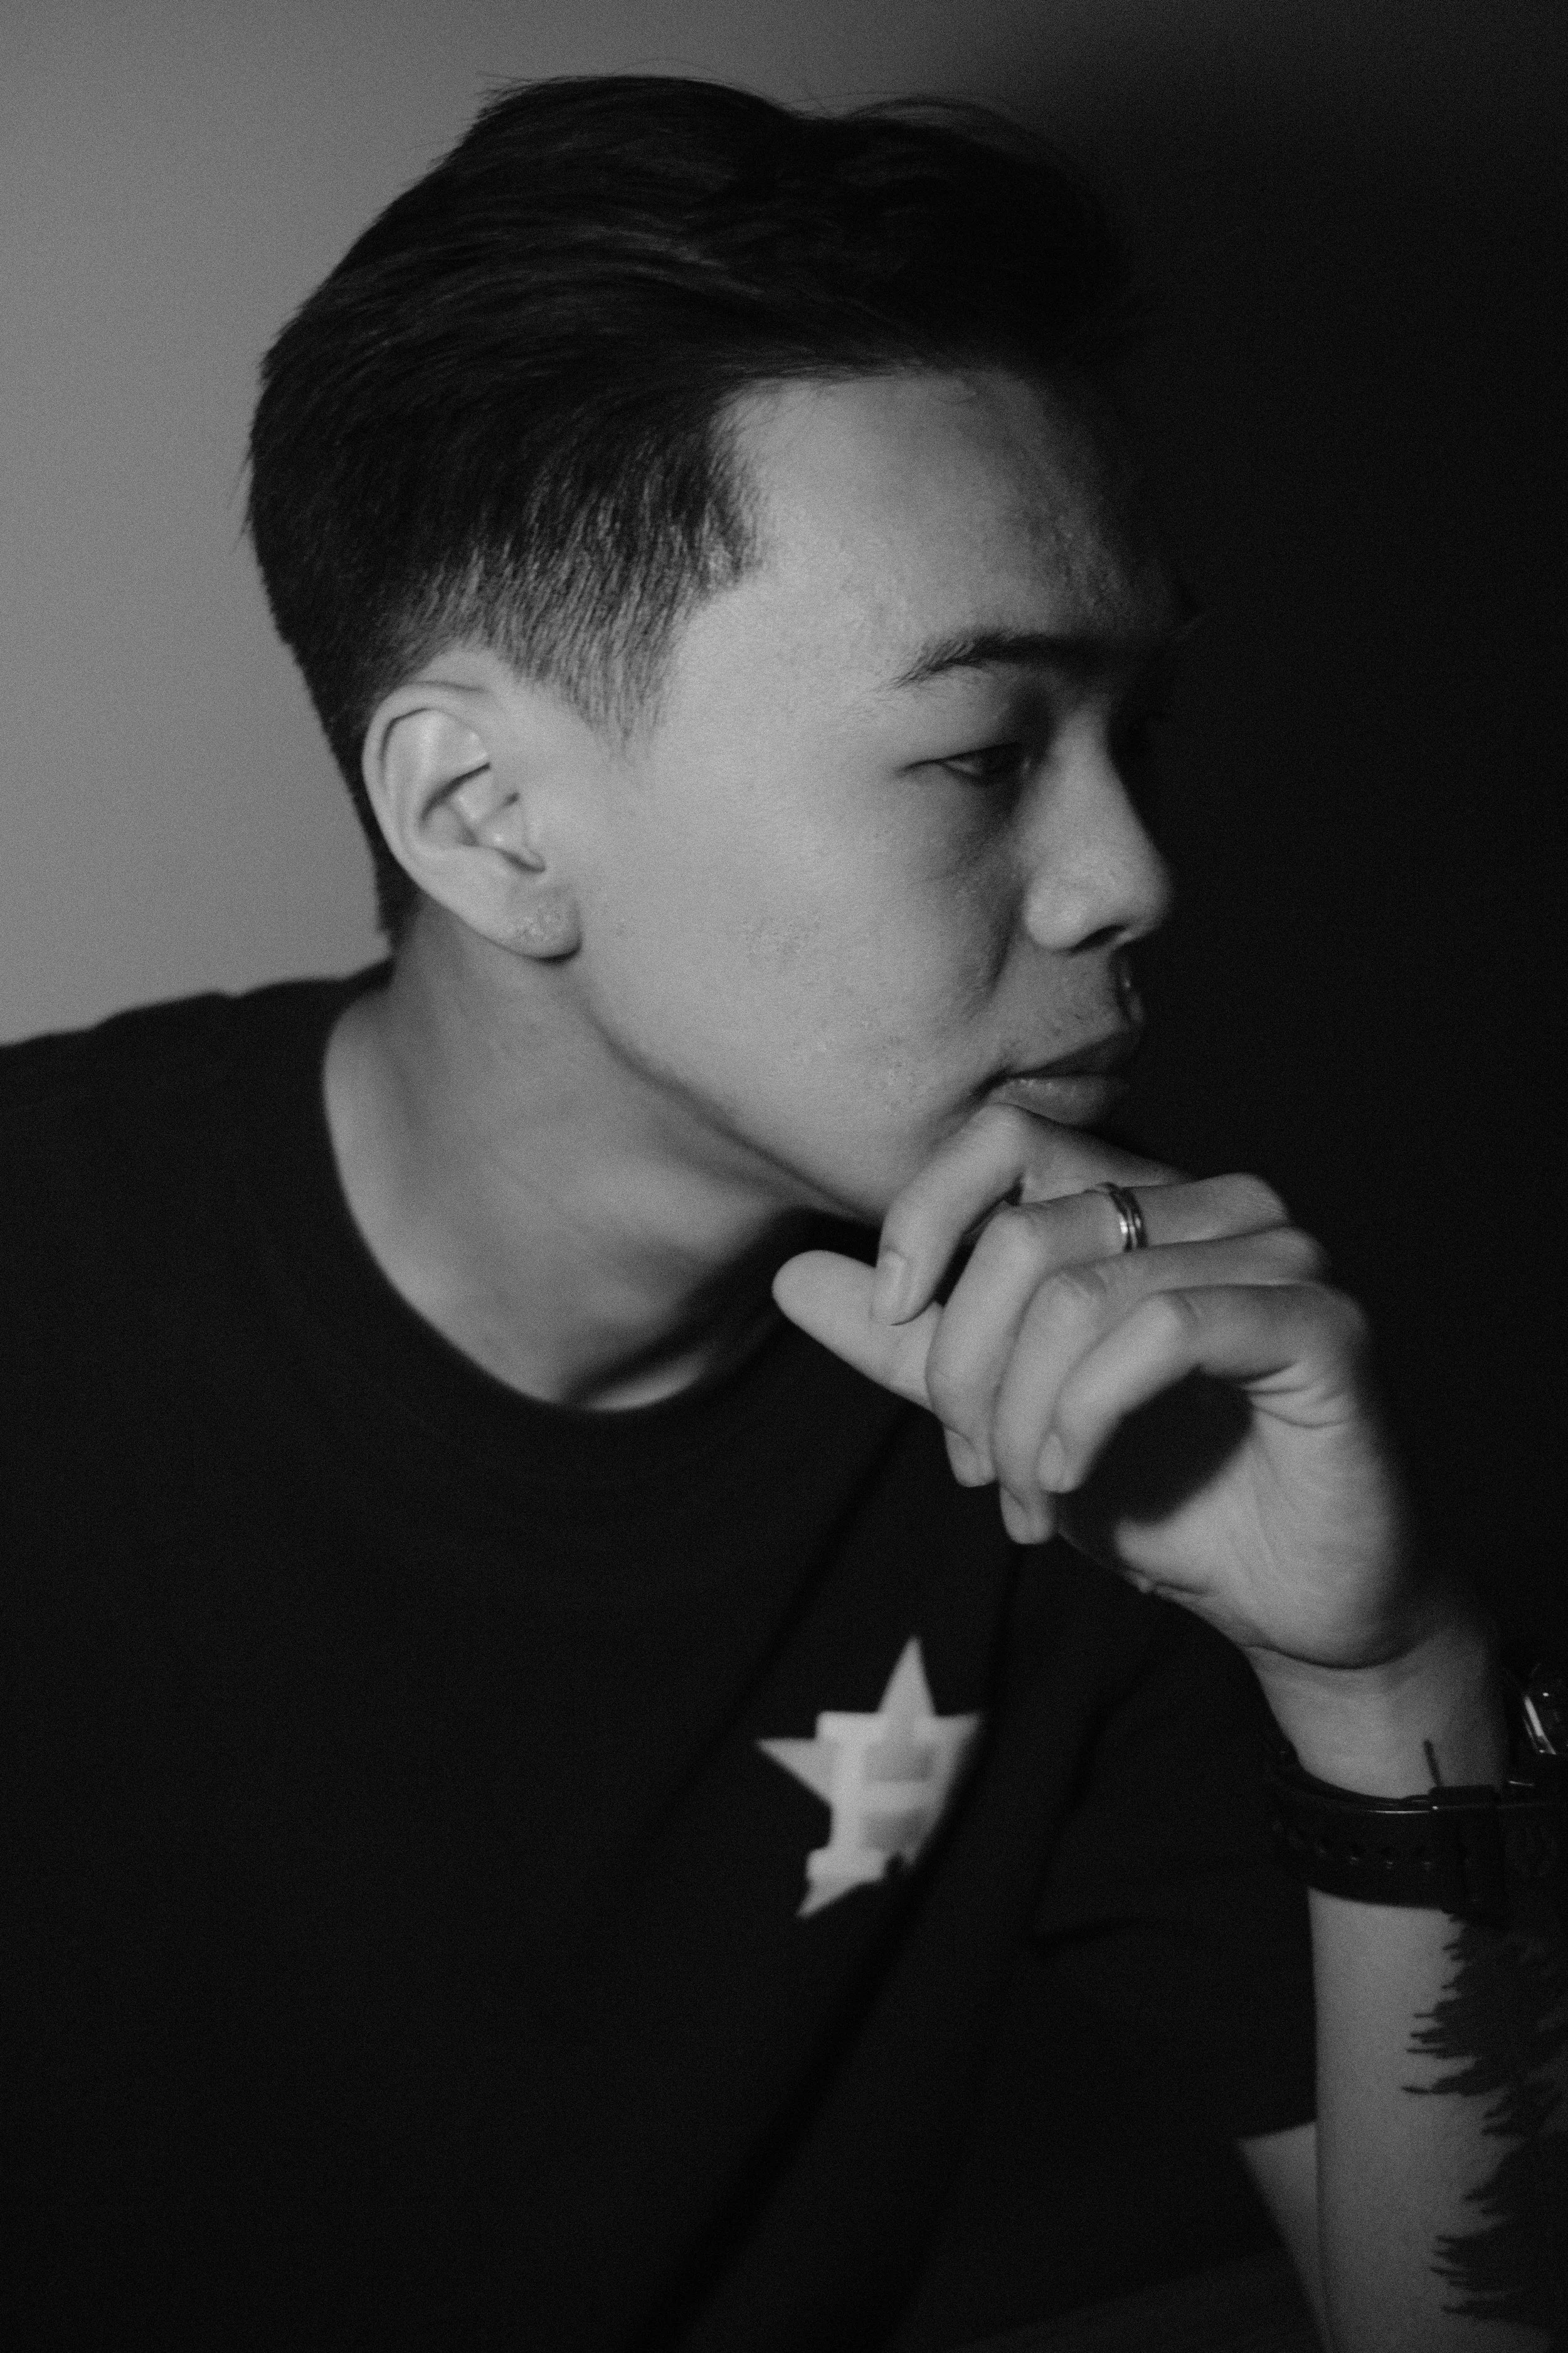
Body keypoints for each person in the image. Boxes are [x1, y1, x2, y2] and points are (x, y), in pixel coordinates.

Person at [4, 73, 1563, 2353]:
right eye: (976, 748)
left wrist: (1384, 1665)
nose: (1133, 875)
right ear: (486, 816)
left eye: (1138, 731)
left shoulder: (1111, 1379)